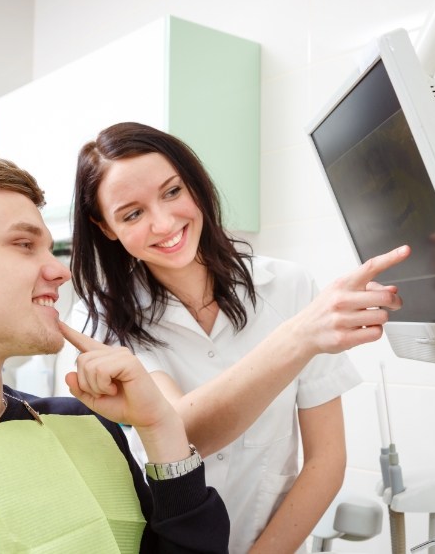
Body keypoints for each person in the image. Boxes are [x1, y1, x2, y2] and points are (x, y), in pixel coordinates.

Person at [66, 122, 411, 553]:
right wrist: (300, 335)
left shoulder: (288, 287)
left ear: (194, 184)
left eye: (173, 192)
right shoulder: (98, 317)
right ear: (106, 227)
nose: (163, 222)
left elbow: (326, 459)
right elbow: (182, 433)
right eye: (132, 214)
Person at [0, 158, 230, 553]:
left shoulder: (83, 427)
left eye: (50, 250)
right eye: (23, 245)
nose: (60, 272)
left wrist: (160, 427)